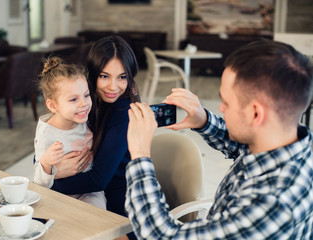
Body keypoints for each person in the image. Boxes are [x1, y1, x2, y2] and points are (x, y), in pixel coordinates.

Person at [125, 40, 313, 239]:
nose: (220, 108)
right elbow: (243, 148)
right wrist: (204, 121)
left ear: (256, 113)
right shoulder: (291, 142)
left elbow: (161, 236)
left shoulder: (271, 206)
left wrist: (140, 153)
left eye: (226, 102)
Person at [48, 35, 139, 239]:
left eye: (122, 77)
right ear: (92, 73)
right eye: (105, 76)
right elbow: (46, 146)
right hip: (87, 197)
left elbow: (98, 180)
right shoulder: (84, 105)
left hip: (120, 207)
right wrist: (48, 167)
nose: (113, 87)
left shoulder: (123, 112)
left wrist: (48, 181)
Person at [33, 57, 106, 209]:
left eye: (86, 95)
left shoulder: (82, 118)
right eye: (73, 99)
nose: (83, 103)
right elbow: (39, 181)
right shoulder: (47, 134)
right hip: (59, 194)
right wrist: (46, 163)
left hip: (89, 192)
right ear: (53, 105)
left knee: (97, 215)